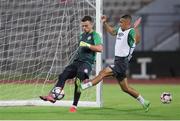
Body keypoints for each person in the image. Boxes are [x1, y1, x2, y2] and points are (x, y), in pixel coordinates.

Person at [80, 14, 150, 112]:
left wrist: (135, 28)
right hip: (118, 61)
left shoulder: (131, 31)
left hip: (122, 63)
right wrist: (105, 22)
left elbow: (137, 40)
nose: (119, 23)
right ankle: (144, 102)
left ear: (127, 23)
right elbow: (112, 32)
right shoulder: (120, 29)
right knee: (125, 88)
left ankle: (84, 85)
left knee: (102, 73)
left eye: (121, 22)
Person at [39, 16, 103, 113]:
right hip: (77, 62)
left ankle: (74, 105)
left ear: (92, 24)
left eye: (86, 26)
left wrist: (88, 45)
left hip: (86, 63)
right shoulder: (82, 35)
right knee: (63, 75)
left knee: (78, 80)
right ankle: (52, 96)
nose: (84, 28)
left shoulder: (95, 35)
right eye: (83, 26)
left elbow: (100, 48)